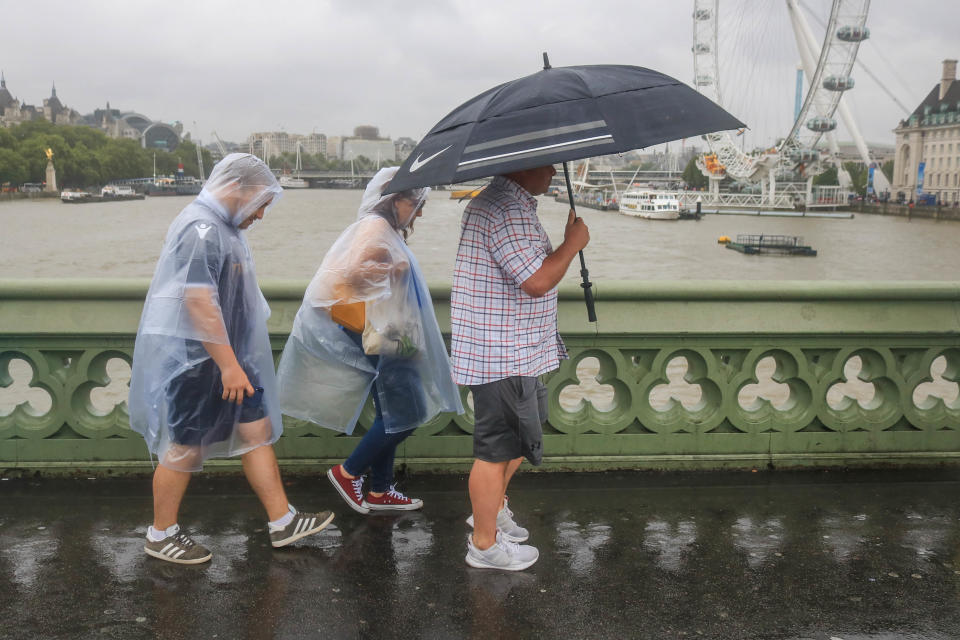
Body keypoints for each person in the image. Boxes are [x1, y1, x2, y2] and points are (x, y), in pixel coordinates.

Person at [129, 153, 334, 565]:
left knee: (255, 431)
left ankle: (282, 520)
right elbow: (198, 300)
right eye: (260, 203)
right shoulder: (202, 229)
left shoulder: (222, 227)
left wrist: (236, 362)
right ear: (239, 188)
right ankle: (161, 533)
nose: (260, 215)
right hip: (201, 363)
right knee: (186, 447)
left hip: (231, 360)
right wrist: (228, 365)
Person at [277, 166, 462, 514]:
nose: (420, 211)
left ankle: (380, 489)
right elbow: (343, 280)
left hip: (390, 333)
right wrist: (394, 269)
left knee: (392, 412)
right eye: (416, 202)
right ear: (395, 201)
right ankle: (349, 472)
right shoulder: (376, 228)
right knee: (411, 412)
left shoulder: (382, 228)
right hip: (383, 334)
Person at [451, 165, 589, 571]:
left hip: (521, 350)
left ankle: (490, 513)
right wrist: (572, 245)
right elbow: (536, 280)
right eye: (546, 162)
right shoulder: (504, 209)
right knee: (497, 450)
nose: (551, 170)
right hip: (502, 353)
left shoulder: (511, 205)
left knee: (517, 442)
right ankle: (484, 543)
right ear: (523, 165)